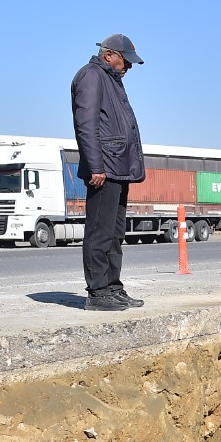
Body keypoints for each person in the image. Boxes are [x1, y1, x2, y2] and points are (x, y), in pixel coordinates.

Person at [71, 33, 147, 311]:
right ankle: (98, 292)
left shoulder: (111, 80)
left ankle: (113, 287)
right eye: (125, 62)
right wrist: (96, 166)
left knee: (115, 233)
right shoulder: (91, 76)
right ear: (109, 55)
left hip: (118, 168)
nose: (128, 68)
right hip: (104, 168)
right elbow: (86, 124)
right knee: (99, 232)